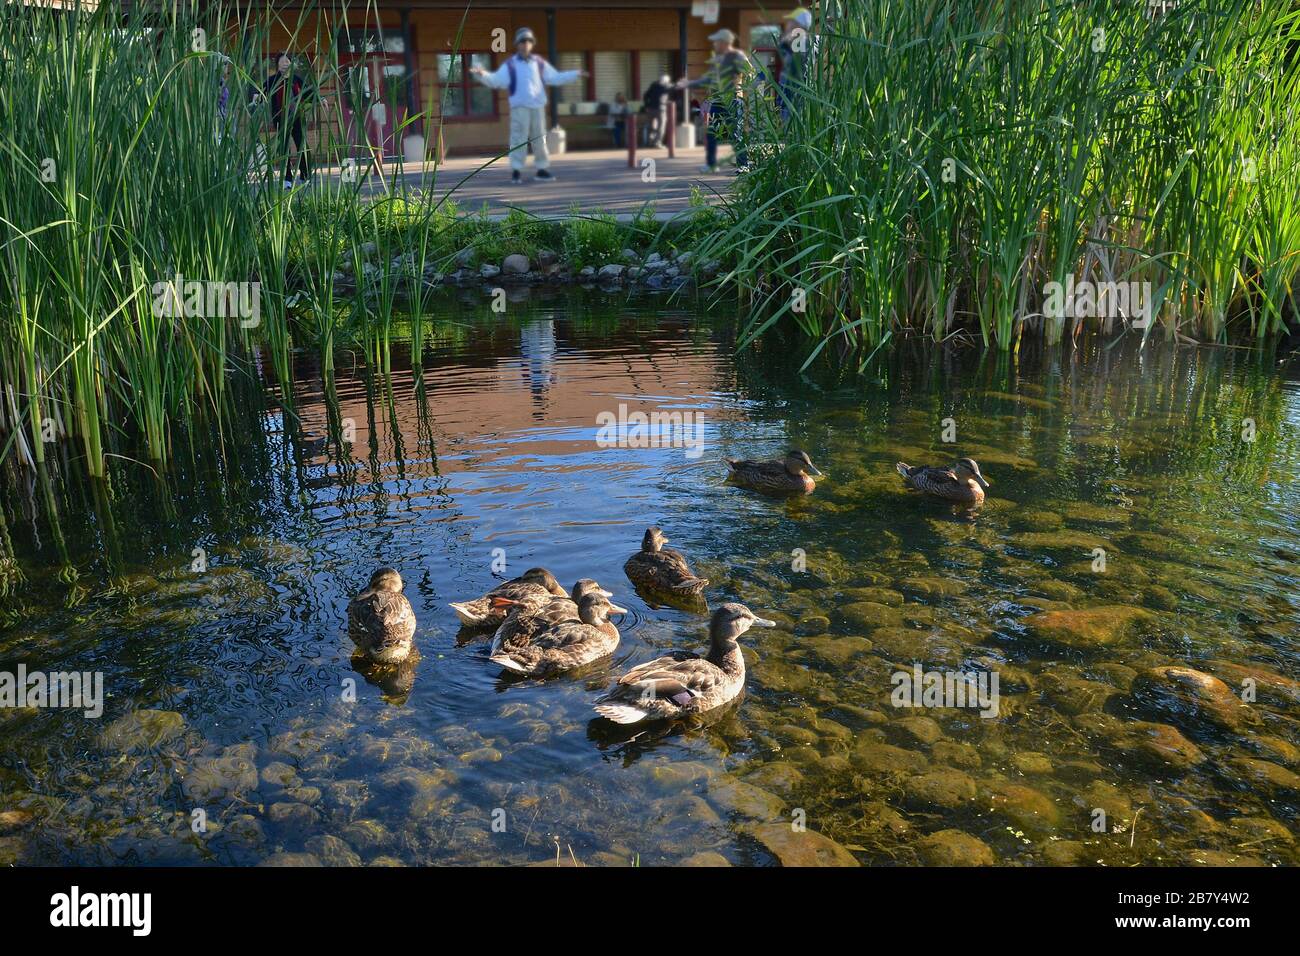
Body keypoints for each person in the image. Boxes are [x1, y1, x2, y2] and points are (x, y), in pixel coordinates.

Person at [470, 27, 587, 183]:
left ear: (532, 44)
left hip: (537, 107)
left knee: (539, 139)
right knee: (518, 139)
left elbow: (555, 77)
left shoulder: (539, 63)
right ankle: (516, 171)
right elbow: (496, 80)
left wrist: (575, 74)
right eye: (523, 41)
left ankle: (542, 169)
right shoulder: (510, 65)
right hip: (519, 108)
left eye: (529, 41)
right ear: (517, 44)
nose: (526, 44)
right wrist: (482, 74)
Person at [678, 28, 752, 174]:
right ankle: (711, 164)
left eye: (717, 41)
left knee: (735, 133)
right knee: (711, 132)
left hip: (733, 100)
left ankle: (744, 165)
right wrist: (690, 84)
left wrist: (739, 79)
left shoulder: (737, 56)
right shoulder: (717, 59)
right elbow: (709, 79)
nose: (715, 44)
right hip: (717, 101)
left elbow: (750, 72)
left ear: (725, 42)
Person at [256, 51, 312, 188]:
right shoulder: (273, 80)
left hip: (298, 118)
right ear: (278, 66)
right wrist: (256, 96)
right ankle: (287, 179)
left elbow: (310, 93)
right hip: (280, 120)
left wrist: (320, 98)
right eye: (281, 62)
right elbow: (259, 90)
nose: (285, 64)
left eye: (287, 61)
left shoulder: (297, 79)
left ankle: (305, 177)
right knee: (284, 149)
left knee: (302, 147)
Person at [778, 7, 815, 123]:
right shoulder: (799, 43)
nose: (787, 25)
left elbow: (796, 71)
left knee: (790, 136)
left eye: (791, 22)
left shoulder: (801, 43)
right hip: (790, 101)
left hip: (793, 102)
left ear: (797, 25)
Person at [642, 74, 672, 148]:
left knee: (651, 126)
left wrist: (647, 105)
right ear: (665, 81)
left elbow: (645, 95)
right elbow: (673, 87)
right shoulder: (666, 86)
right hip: (661, 109)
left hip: (651, 109)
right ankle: (657, 143)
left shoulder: (653, 86)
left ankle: (650, 142)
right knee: (661, 126)